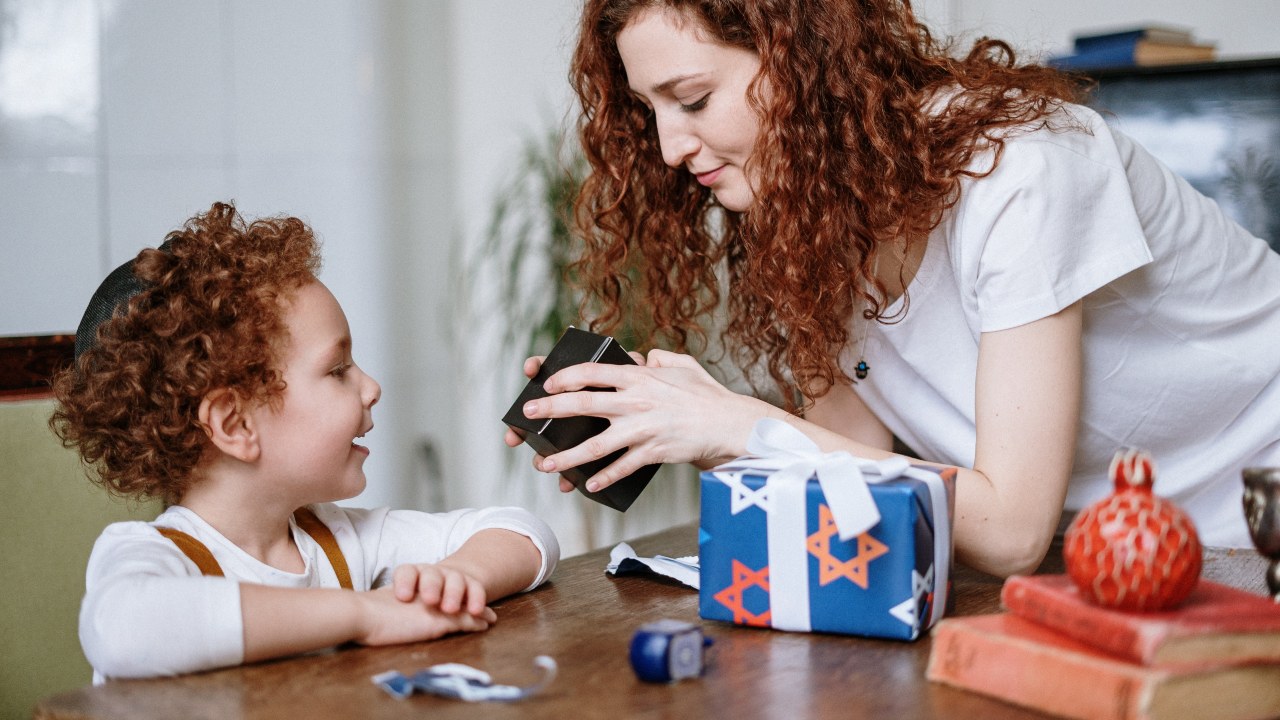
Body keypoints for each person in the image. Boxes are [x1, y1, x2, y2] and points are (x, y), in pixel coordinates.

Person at [505, 0, 1280, 577]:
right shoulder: (807, 215)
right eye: (651, 111)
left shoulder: (1027, 167)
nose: (670, 147)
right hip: (1123, 557)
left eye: (695, 99)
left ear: (798, 58)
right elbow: (848, 473)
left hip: (1251, 523)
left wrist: (732, 424)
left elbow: (1010, 528)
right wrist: (671, 421)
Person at [52, 202, 559, 681]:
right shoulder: (156, 556)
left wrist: (457, 578)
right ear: (234, 425)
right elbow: (124, 629)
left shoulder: (339, 541)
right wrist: (366, 615)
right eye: (338, 370)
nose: (372, 387)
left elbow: (523, 532)